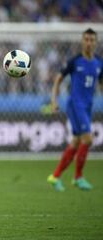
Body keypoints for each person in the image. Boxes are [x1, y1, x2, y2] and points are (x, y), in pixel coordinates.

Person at [47, 28, 102, 192]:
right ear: (82, 41)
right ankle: (78, 177)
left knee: (76, 141)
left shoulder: (99, 62)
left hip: (88, 105)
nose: (89, 43)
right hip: (75, 105)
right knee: (88, 139)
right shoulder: (75, 61)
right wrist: (54, 101)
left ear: (96, 42)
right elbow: (58, 79)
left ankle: (55, 176)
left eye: (92, 40)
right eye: (86, 39)